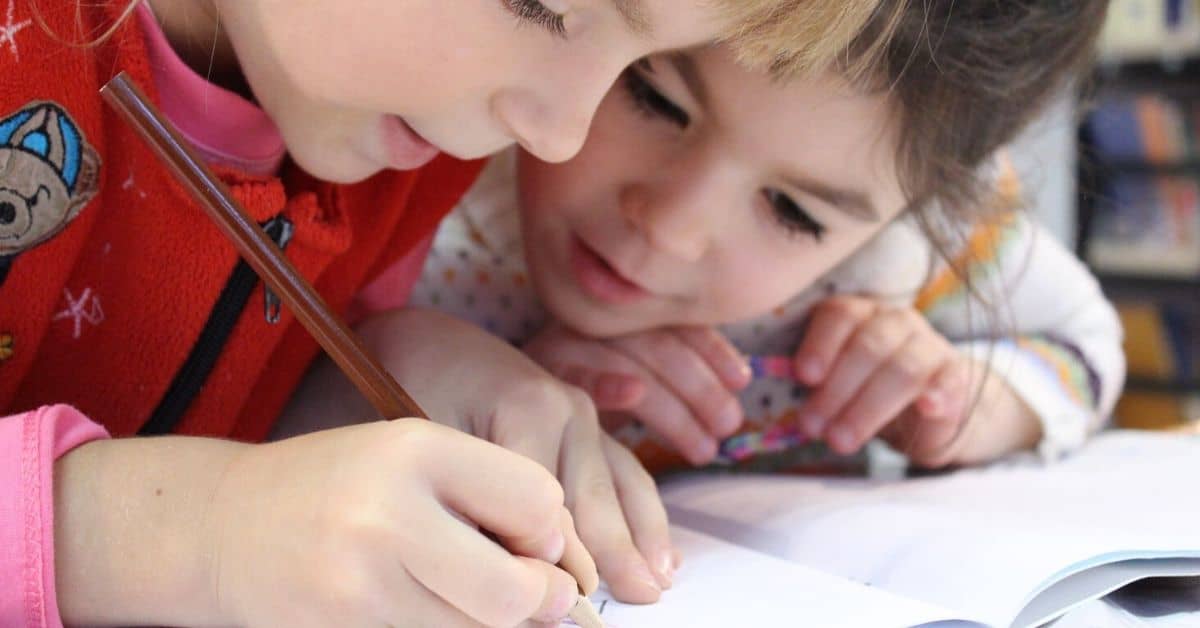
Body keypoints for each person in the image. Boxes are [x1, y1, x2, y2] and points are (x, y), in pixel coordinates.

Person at [0, 0, 891, 625]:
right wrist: (203, 533)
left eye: (629, 68)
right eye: (540, 5)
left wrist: (380, 374)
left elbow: (223, 414)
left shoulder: (400, 144)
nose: (559, 135)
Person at [396, 0, 1123, 476]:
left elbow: (1087, 343)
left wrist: (974, 404)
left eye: (793, 212)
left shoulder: (910, 254)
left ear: (918, 209)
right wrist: (487, 391)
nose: (672, 227)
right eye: (653, 98)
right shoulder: (422, 173)